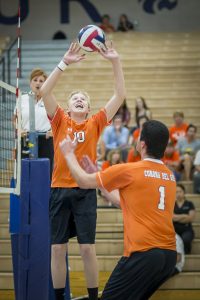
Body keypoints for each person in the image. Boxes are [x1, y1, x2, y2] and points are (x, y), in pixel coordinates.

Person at [40, 42, 126, 300]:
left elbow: (120, 96)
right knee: (57, 250)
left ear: (88, 109)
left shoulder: (95, 122)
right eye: (75, 98)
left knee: (87, 249)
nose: (79, 100)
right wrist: (64, 62)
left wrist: (115, 61)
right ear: (67, 108)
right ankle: (58, 297)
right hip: (59, 190)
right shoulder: (59, 121)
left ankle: (92, 297)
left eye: (83, 99)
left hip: (85, 191)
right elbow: (44, 90)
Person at [59, 120, 177, 300]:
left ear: (142, 144)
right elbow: (125, 204)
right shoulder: (169, 176)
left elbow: (83, 181)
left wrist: (68, 154)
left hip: (142, 254)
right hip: (168, 257)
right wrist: (101, 184)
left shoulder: (130, 170)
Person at [14, 68, 54, 176]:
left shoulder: (49, 99)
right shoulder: (22, 99)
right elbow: (15, 119)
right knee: (25, 172)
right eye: (35, 80)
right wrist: (19, 129)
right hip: (26, 138)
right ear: (30, 83)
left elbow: (56, 119)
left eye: (41, 81)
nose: (38, 83)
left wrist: (52, 130)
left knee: (46, 172)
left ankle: (47, 193)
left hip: (45, 139)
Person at [173, 184, 196, 254]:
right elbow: (171, 217)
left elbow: (190, 218)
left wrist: (176, 217)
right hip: (174, 230)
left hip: (187, 230)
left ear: (184, 192)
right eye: (176, 192)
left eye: (180, 191)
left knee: (186, 239)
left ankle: (186, 254)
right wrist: (184, 215)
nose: (178, 194)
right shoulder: (172, 204)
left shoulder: (189, 204)